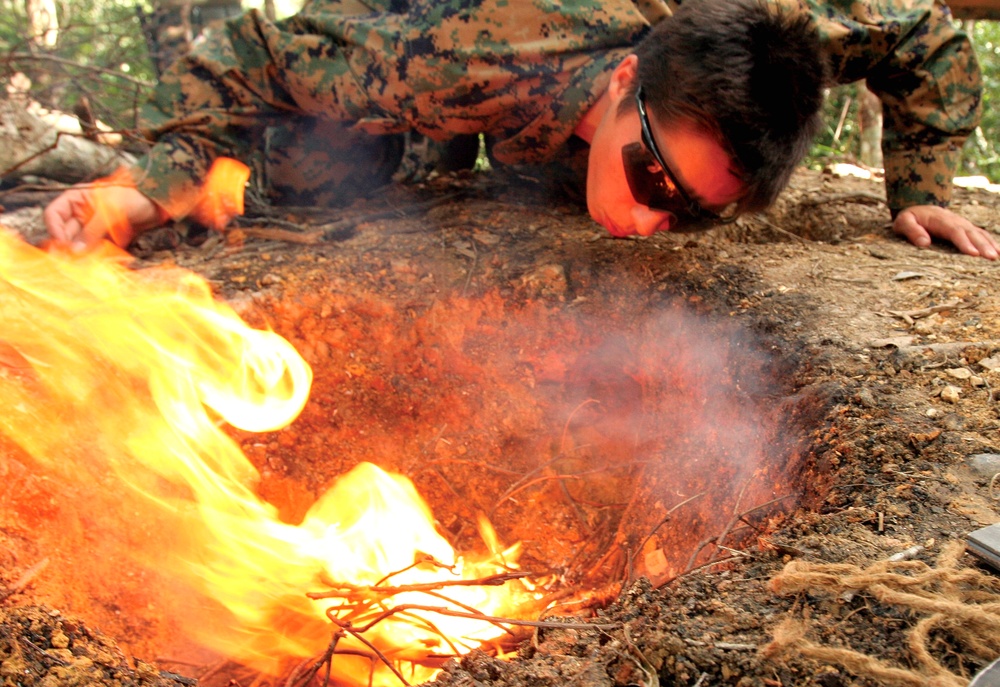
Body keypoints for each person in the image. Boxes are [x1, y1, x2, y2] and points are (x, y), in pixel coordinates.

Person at [43, 0, 999, 259]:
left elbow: (935, 42)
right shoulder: (456, 64)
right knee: (340, 164)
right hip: (415, 34)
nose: (650, 225)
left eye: (698, 215)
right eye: (655, 179)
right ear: (626, 80)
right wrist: (146, 184)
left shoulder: (775, 35)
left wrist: (920, 191)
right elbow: (246, 54)